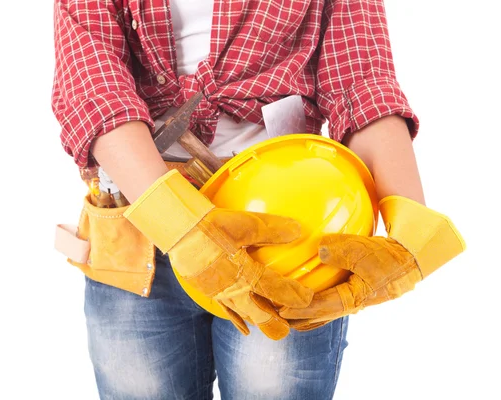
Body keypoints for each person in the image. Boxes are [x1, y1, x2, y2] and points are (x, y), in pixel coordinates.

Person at [51, 0, 465, 398]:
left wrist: (410, 220)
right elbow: (93, 84)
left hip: (283, 238)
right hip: (136, 232)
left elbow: (360, 81)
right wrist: (181, 228)